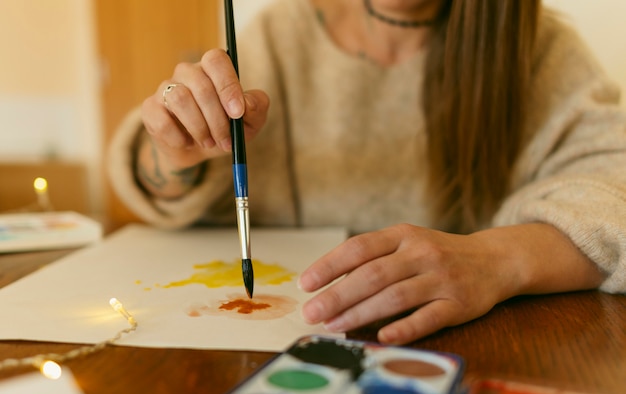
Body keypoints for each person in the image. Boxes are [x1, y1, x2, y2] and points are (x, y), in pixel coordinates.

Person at [108, 0, 626, 345]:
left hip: (462, 350)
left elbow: (614, 187)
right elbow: (157, 173)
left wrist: (501, 258)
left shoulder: (537, 48)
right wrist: (174, 156)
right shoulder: (278, 35)